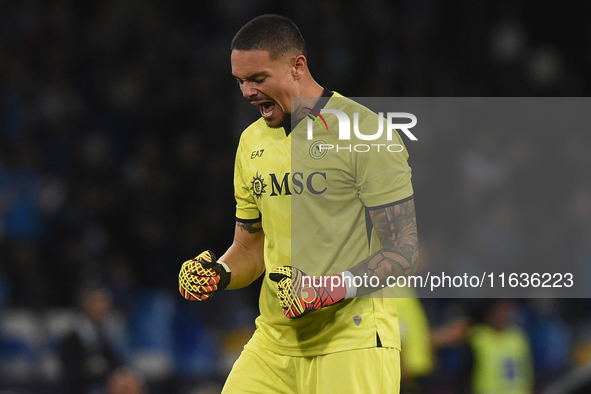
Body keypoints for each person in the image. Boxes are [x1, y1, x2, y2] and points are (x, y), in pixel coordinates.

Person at [178, 14, 418, 393]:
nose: (247, 92)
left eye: (258, 78)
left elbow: (403, 249)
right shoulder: (251, 142)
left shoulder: (366, 134)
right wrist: (219, 273)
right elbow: (250, 247)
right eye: (240, 81)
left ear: (297, 66)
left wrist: (324, 289)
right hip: (274, 342)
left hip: (350, 341)